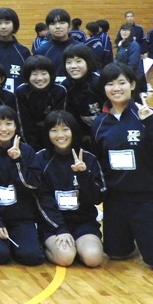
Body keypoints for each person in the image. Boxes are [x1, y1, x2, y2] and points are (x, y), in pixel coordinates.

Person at [92, 63, 153, 270]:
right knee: (117, 254)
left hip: (149, 198)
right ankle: (142, 236)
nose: (116, 88)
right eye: (110, 84)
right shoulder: (99, 123)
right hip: (116, 200)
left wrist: (151, 122)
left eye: (121, 83)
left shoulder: (151, 115)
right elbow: (99, 162)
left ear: (132, 85)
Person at [0, 106, 47, 266]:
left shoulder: (27, 151)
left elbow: (32, 185)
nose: (4, 129)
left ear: (15, 126)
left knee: (31, 257)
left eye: (8, 124)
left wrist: (17, 161)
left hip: (21, 219)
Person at [35, 110, 106, 268]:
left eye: (65, 129)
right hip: (53, 224)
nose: (60, 135)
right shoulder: (40, 159)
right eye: (54, 130)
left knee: (93, 258)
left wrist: (83, 175)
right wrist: (60, 228)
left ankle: (79, 247)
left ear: (73, 131)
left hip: (83, 222)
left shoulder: (88, 158)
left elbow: (97, 198)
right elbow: (42, 201)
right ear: (47, 133)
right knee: (65, 258)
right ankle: (45, 245)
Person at [15, 55, 67, 148]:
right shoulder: (21, 92)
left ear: (50, 74)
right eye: (34, 74)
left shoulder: (60, 91)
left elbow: (59, 122)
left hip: (55, 139)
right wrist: (32, 149)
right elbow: (24, 124)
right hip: (30, 141)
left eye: (44, 73)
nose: (39, 78)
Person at [61, 44, 103, 150]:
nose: (73, 66)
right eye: (69, 62)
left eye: (78, 61)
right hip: (85, 136)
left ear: (88, 62)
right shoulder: (65, 85)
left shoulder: (99, 82)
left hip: (106, 132)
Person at [34, 9, 75, 82]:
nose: (58, 27)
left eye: (62, 23)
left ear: (70, 26)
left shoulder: (82, 49)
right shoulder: (41, 51)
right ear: (47, 28)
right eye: (53, 24)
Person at [115, 23, 147, 99]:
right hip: (123, 76)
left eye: (127, 30)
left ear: (131, 32)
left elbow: (133, 63)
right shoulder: (121, 44)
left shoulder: (134, 45)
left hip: (133, 77)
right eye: (122, 30)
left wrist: (124, 75)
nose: (124, 32)